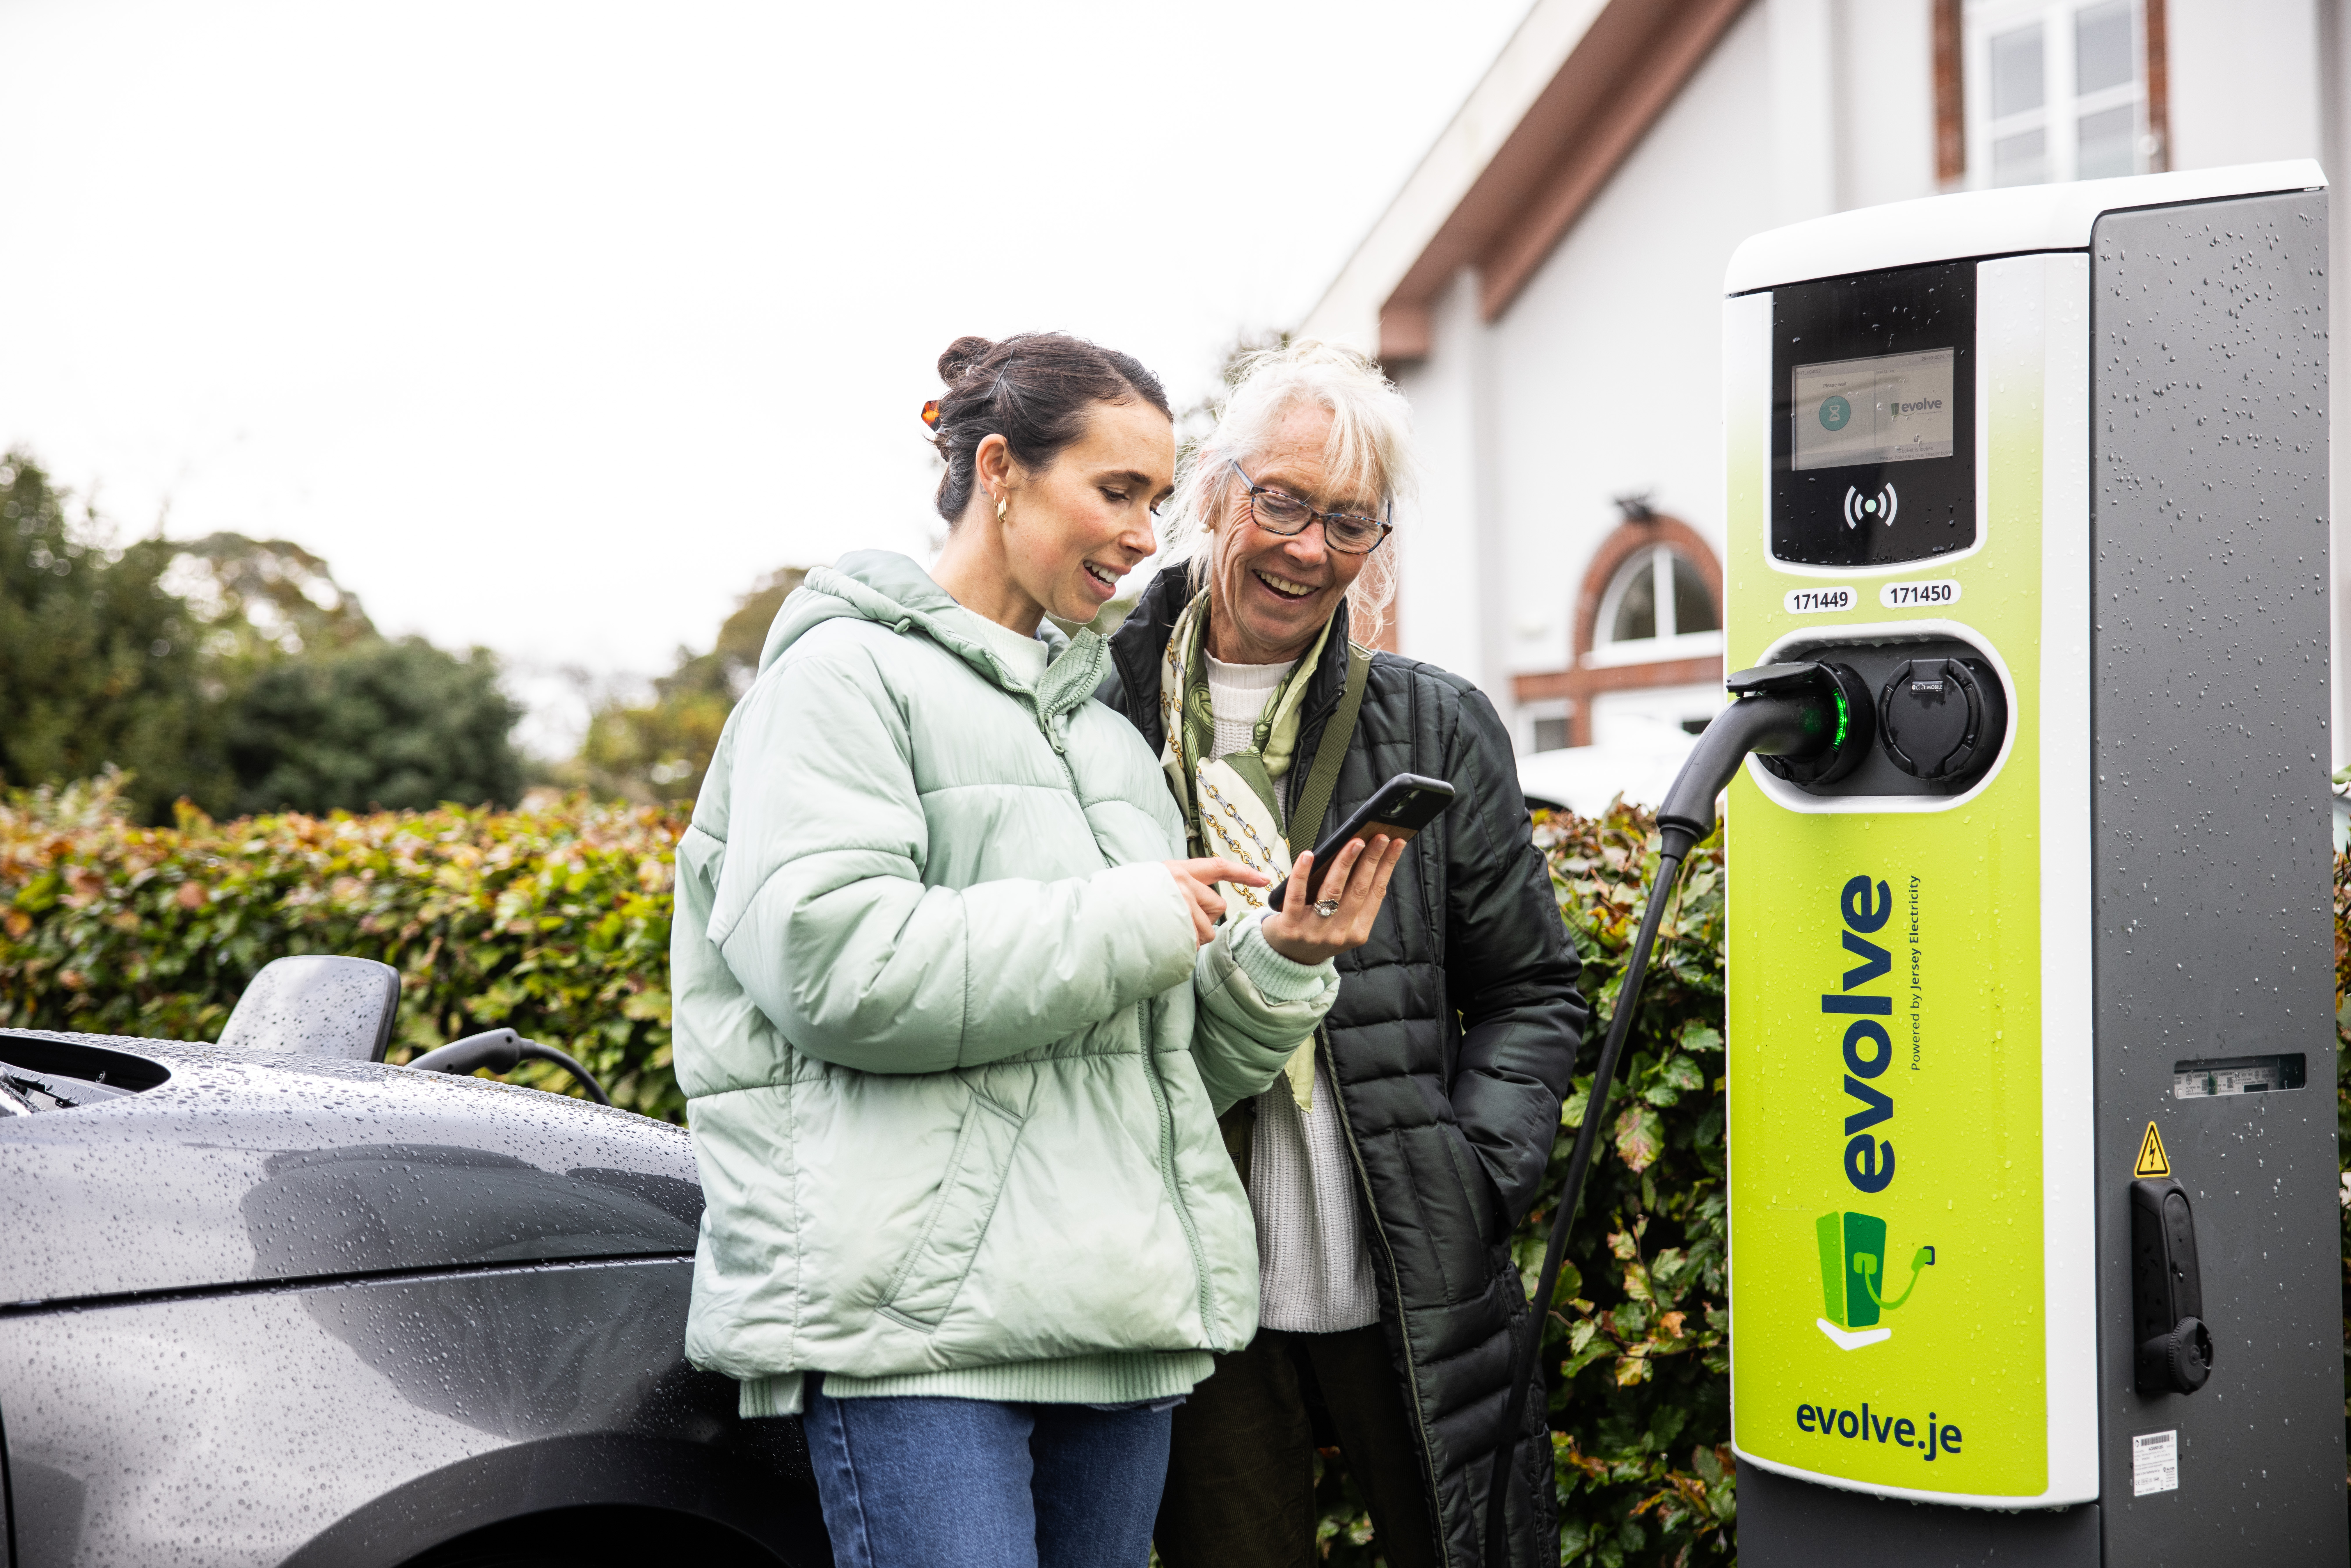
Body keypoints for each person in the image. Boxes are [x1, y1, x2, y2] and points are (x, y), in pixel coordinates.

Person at [669, 331, 1407, 1568]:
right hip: (915, 1342)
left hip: (1113, 1328)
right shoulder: (842, 681)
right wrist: (1133, 918)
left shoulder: (1104, 743)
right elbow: (835, 970)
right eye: (1115, 492)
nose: (1142, 534)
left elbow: (1154, 1063)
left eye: (1159, 501)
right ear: (1000, 468)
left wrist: (1278, 960)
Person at [1097, 341, 1588, 1568]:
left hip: (1408, 1265)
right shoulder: (1090, 709)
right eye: (1281, 502)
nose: (1308, 549)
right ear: (1213, 490)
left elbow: (1531, 988)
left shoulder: (1434, 722)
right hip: (1187, 1277)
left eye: (1350, 523)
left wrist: (1472, 1177)